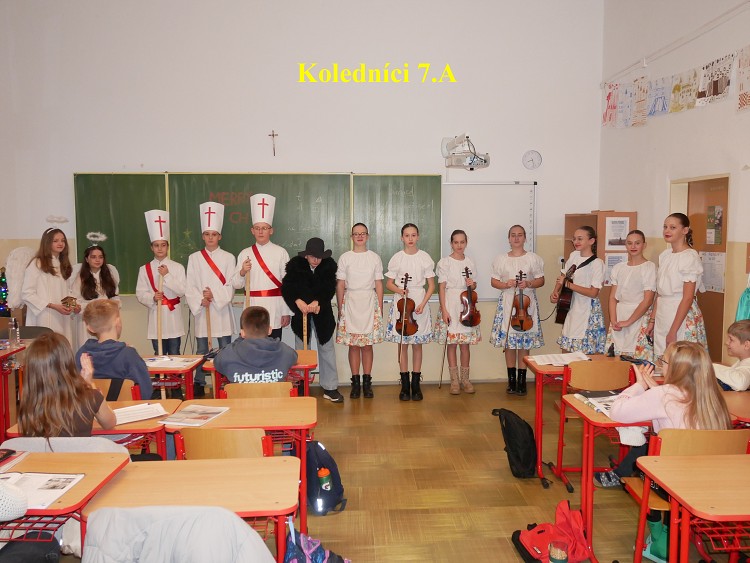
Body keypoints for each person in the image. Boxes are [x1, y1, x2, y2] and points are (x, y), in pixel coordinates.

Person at [596, 341, 731, 488]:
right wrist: (657, 390)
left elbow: (617, 412)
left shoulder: (663, 395)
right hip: (712, 481)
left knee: (648, 441)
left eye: (663, 361)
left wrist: (639, 386)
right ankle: (620, 474)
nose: (661, 365)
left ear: (675, 368)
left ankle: (620, 475)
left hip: (670, 483)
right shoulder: (714, 396)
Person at [18, 332, 116, 438]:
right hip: (78, 450)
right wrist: (89, 384)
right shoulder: (91, 397)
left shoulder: (29, 404)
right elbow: (110, 423)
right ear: (68, 363)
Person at [186, 202, 236, 397]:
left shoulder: (229, 257)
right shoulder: (194, 258)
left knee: (225, 347)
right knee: (202, 350)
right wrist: (200, 299)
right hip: (203, 309)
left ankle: (224, 380)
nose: (210, 238)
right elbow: (190, 284)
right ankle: (199, 382)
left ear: (219, 236)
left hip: (221, 309)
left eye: (214, 234)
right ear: (202, 236)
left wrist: (214, 295)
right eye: (207, 234)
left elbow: (230, 284)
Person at [281, 238, 341, 402]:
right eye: (313, 256)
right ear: (306, 255)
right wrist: (297, 301)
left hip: (323, 314)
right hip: (302, 315)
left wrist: (318, 302)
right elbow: (287, 288)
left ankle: (330, 387)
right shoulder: (295, 266)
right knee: (302, 350)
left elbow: (329, 288)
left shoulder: (328, 267)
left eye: (319, 257)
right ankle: (301, 383)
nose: (316, 260)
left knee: (327, 349)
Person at [490, 225, 545, 396]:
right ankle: (511, 381)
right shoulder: (501, 259)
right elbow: (494, 282)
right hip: (508, 303)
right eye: (513, 235)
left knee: (523, 343)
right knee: (510, 344)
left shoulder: (533, 258)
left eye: (520, 235)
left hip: (526, 304)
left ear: (525, 238)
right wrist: (506, 284)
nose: (516, 238)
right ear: (509, 238)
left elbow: (541, 280)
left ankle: (522, 381)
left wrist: (528, 283)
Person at [385, 223, 435, 402]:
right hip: (402, 303)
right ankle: (405, 384)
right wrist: (400, 291)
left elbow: (431, 286)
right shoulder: (397, 258)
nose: (410, 238)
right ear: (402, 238)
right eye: (407, 235)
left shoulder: (424, 258)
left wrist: (423, 303)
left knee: (417, 344)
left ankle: (416, 383)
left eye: (413, 235)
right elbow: (389, 284)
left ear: (418, 237)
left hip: (419, 302)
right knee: (403, 344)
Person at [231, 193, 291, 340]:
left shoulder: (281, 252)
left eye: (264, 228)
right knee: (251, 347)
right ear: (252, 231)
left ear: (271, 230)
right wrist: (242, 271)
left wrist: (286, 311)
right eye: (257, 228)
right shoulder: (244, 253)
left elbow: (287, 285)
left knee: (273, 346)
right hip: (251, 307)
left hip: (274, 308)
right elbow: (236, 284)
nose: (260, 231)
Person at [335, 223, 384, 399]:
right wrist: (340, 307)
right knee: (354, 346)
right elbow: (340, 284)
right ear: (352, 237)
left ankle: (367, 383)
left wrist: (379, 308)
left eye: (363, 233)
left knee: (367, 346)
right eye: (356, 234)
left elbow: (379, 284)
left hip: (369, 303)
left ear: (367, 236)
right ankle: (355, 383)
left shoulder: (374, 258)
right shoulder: (345, 258)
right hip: (351, 303)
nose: (360, 236)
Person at [648, 212, 707, 358]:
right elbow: (660, 293)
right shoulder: (665, 255)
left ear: (685, 230)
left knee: (680, 358)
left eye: (673, 227)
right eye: (665, 227)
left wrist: (673, 330)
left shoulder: (689, 257)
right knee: (662, 358)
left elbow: (687, 298)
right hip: (663, 312)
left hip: (680, 313)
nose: (667, 231)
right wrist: (652, 320)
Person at [74, 299, 153, 400]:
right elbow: (146, 391)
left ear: (90, 328)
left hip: (93, 409)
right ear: (118, 322)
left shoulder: (81, 354)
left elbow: (76, 389)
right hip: (126, 409)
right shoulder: (129, 355)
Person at [435, 229, 481, 395]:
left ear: (466, 243)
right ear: (451, 243)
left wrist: (472, 284)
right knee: (452, 344)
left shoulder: (469, 262)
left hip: (466, 305)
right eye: (456, 242)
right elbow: (441, 288)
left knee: (465, 345)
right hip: (451, 303)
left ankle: (465, 380)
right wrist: (444, 310)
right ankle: (454, 381)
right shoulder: (445, 263)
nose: (459, 245)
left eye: (462, 242)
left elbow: (474, 285)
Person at [136, 210, 186, 356]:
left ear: (167, 247)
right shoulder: (144, 269)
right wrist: (152, 297)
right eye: (156, 245)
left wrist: (167, 276)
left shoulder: (177, 267)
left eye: (163, 245)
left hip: (173, 316)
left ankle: (175, 372)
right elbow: (140, 293)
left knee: (174, 352)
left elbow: (182, 290)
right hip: (156, 315)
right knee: (159, 353)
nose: (159, 248)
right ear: (151, 247)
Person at [551, 226, 606, 354]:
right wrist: (556, 291)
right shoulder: (574, 255)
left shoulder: (597, 263)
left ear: (591, 241)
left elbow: (593, 292)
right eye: (574, 239)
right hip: (572, 305)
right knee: (567, 344)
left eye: (580, 239)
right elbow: (564, 275)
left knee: (583, 350)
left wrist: (568, 285)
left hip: (587, 309)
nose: (576, 242)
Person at [604, 230, 656, 360]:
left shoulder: (649, 267)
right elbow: (612, 297)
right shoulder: (618, 267)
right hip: (620, 315)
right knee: (615, 358)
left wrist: (628, 322)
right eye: (629, 243)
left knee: (637, 359)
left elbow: (648, 300)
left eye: (637, 243)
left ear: (644, 245)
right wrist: (614, 320)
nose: (633, 246)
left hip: (639, 316)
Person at [21, 228, 79, 343]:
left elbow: (67, 291)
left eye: (63, 240)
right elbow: (27, 293)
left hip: (62, 315)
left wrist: (73, 306)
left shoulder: (63, 264)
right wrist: (52, 306)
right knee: (47, 347)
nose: (60, 243)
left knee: (62, 346)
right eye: (55, 240)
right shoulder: (37, 263)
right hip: (44, 315)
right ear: (47, 242)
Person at [214, 306, 298, 384]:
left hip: (242, 396)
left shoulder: (229, 354)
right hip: (274, 396)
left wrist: (238, 341)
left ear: (242, 333)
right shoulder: (284, 351)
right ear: (269, 330)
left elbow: (217, 362)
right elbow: (294, 356)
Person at [70, 244, 120, 349]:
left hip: (107, 318)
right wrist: (76, 308)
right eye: (93, 257)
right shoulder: (80, 277)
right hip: (87, 318)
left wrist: (111, 308)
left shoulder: (109, 275)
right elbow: (73, 297)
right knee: (88, 349)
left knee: (107, 347)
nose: (97, 260)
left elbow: (114, 297)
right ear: (86, 259)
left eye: (100, 257)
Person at [713, 319, 750, 391]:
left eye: (731, 339)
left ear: (746, 345)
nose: (726, 342)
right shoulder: (741, 362)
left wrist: (710, 367)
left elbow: (740, 384)